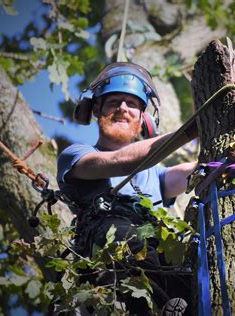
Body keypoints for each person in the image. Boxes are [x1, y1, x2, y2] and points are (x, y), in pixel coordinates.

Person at [56, 62, 197, 315]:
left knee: (185, 265)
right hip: (110, 243)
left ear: (143, 119)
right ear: (96, 109)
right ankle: (152, 305)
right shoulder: (76, 155)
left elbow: (192, 172)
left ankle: (179, 303)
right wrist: (189, 131)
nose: (123, 108)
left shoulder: (154, 174)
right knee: (125, 235)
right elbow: (117, 162)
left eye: (132, 104)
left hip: (156, 243)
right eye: (114, 102)